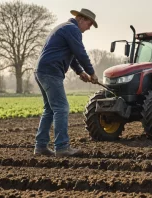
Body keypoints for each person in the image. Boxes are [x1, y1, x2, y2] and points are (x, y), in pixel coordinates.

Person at [34, 8, 99, 157]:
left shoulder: (64, 27)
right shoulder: (72, 29)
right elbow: (80, 53)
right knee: (61, 108)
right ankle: (62, 147)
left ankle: (41, 146)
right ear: (81, 19)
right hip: (50, 72)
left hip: (41, 71)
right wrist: (92, 73)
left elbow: (72, 55)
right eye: (89, 24)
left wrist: (80, 72)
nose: (88, 28)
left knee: (50, 109)